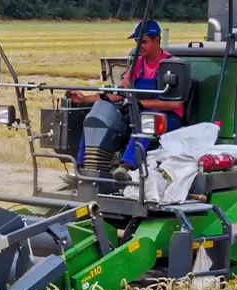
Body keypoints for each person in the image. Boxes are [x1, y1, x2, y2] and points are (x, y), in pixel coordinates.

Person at [67, 20, 185, 178]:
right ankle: (82, 167)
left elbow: (175, 103)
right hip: (137, 112)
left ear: (157, 40)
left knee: (146, 119)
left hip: (167, 118)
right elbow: (122, 92)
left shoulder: (172, 65)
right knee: (96, 118)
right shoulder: (137, 64)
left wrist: (140, 103)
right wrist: (84, 98)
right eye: (137, 42)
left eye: (143, 42)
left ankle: (126, 166)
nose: (139, 46)